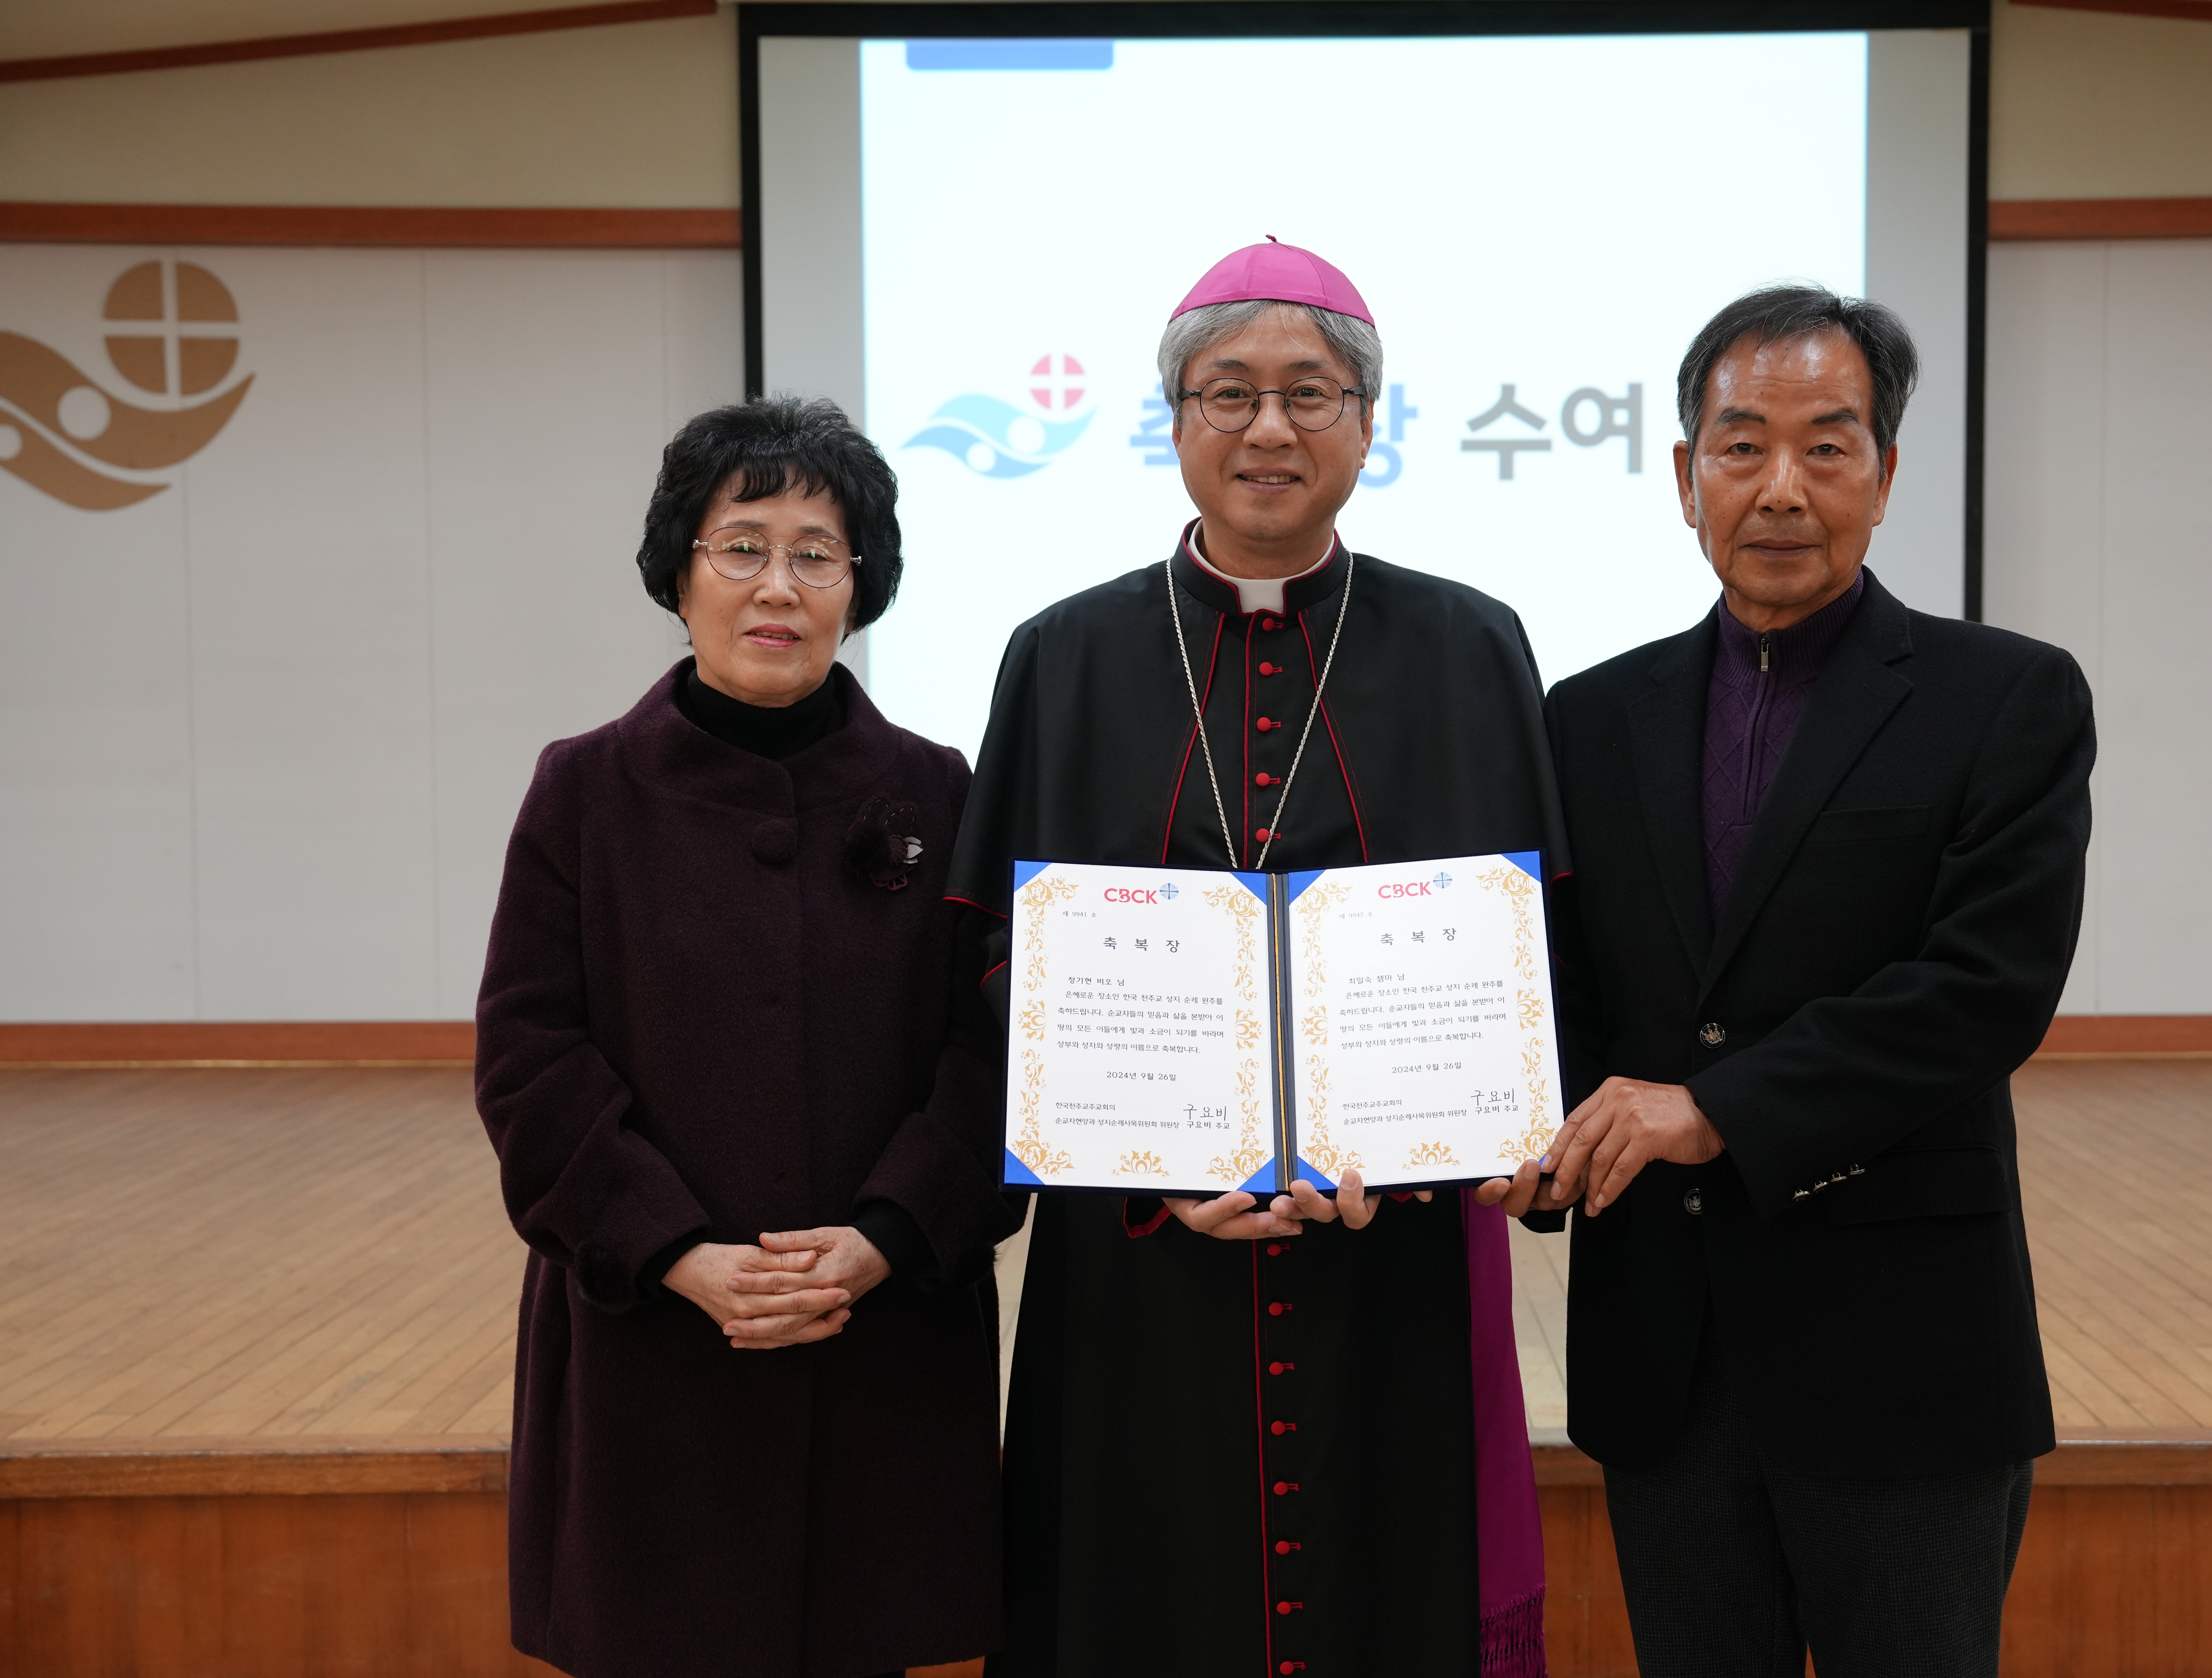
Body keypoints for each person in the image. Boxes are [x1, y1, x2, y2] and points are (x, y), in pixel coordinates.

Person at [947, 240, 1563, 1678]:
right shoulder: (1065, 653)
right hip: (1136, 1259)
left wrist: (1497, 1134)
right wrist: (1146, 1159)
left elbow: (1539, 952)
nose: (1269, 428)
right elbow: (993, 961)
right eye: (1228, 393)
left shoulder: (1475, 648)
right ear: (1175, 422)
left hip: (1393, 1250)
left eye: (1310, 392)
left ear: (1369, 422)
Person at [1535, 285, 2095, 1677]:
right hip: (1667, 1356)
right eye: (1741, 447)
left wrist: (1712, 1107)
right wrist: (1518, 1131)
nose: (1781, 489)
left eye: (1828, 447)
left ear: (1888, 475)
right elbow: (1559, 996)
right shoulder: (1589, 717)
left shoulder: (2006, 699)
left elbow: (1984, 990)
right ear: (1685, 476)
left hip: (1902, 1357)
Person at [475, 395, 1017, 1678]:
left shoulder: (938, 790)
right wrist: (677, 1251)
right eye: (743, 546)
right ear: (680, 570)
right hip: (656, 1335)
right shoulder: (584, 789)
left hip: (877, 1328)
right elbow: (531, 1056)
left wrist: (883, 1241)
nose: (780, 586)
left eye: (818, 554)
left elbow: (992, 1054)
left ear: (861, 585)